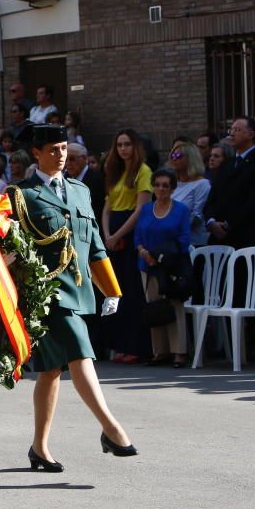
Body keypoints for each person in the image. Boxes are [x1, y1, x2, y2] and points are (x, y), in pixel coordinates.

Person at [9, 125, 136, 472]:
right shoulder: (20, 194)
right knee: (80, 349)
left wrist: (112, 289)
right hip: (44, 294)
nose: (61, 155)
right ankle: (112, 429)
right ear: (36, 152)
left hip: (77, 290)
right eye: (52, 149)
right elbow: (8, 249)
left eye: (64, 148)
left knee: (50, 371)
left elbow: (94, 245)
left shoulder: (80, 191)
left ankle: (39, 447)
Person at [101, 129, 153, 363]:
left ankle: (136, 347)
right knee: (115, 291)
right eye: (120, 144)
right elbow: (107, 207)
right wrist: (107, 234)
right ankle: (119, 345)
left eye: (128, 144)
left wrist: (119, 234)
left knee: (132, 292)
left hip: (131, 230)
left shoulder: (143, 171)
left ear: (136, 147)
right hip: (113, 230)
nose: (123, 149)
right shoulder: (115, 172)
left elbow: (141, 209)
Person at [134, 169, 192, 368]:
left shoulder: (181, 210)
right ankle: (160, 352)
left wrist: (161, 257)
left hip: (171, 266)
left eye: (165, 185)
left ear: (172, 188)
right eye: (157, 185)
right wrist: (143, 251)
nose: (160, 189)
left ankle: (179, 353)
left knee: (175, 306)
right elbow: (138, 236)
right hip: (147, 264)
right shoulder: (146, 209)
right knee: (154, 307)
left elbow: (184, 239)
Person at [204, 116, 255, 250]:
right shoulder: (227, 164)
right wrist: (211, 221)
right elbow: (212, 197)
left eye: (237, 129)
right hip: (218, 237)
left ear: (250, 134)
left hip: (244, 237)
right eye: (230, 129)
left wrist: (228, 224)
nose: (232, 133)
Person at [167, 142, 211, 246]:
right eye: (173, 155)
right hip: (172, 242)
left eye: (178, 155)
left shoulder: (202, 184)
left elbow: (197, 215)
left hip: (193, 244)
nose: (174, 158)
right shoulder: (174, 184)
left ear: (191, 158)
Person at [65, 143, 105, 222]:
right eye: (65, 159)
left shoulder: (98, 179)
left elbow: (98, 211)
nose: (68, 163)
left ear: (84, 158)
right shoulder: (63, 179)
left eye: (72, 159)